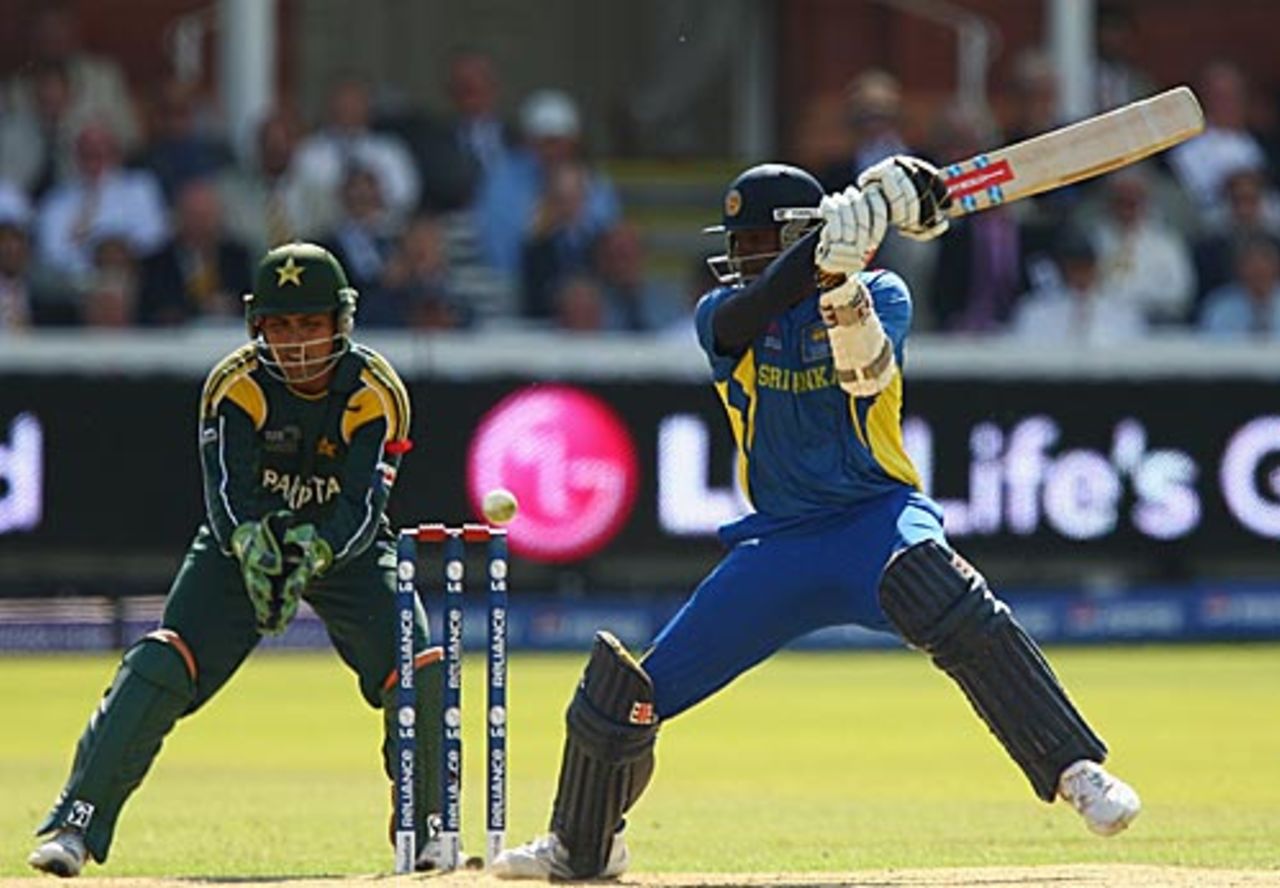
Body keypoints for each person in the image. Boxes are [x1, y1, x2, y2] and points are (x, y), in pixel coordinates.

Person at [492, 160, 1142, 879]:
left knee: (944, 594)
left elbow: (866, 374)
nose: (736, 258)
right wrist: (826, 245)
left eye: (751, 241)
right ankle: (582, 846)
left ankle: (1077, 769)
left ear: (795, 232)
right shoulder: (723, 313)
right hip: (781, 545)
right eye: (734, 243)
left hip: (878, 520)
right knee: (624, 698)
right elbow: (752, 307)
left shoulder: (885, 294)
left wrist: (841, 275)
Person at [28, 243, 447, 876]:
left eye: (311, 325)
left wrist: (318, 551)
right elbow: (227, 501)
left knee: (416, 662)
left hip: (346, 548)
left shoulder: (374, 391)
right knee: (165, 660)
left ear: (341, 322)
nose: (298, 343)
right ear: (258, 326)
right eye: (281, 326)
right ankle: (75, 824)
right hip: (242, 549)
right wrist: (255, 548)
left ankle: (427, 829)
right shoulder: (237, 385)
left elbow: (363, 508)